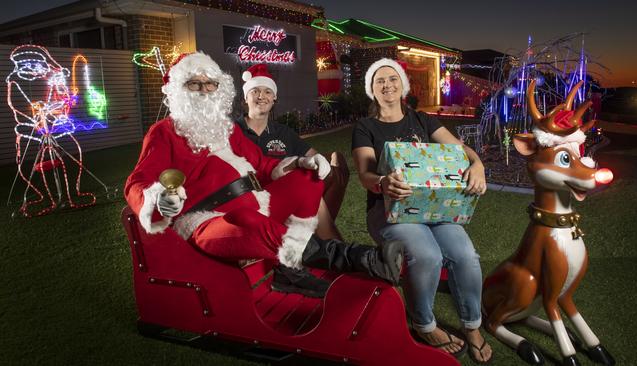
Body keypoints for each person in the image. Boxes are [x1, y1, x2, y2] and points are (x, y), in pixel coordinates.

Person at [124, 52, 404, 299]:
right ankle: (358, 258)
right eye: (194, 84)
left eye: (209, 84)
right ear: (178, 91)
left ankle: (288, 272)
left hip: (256, 201)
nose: (204, 90)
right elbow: (136, 183)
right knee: (249, 220)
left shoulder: (228, 129)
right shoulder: (164, 131)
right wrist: (157, 200)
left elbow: (263, 164)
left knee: (307, 180)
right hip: (207, 219)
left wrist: (300, 163)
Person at [351, 58, 492, 364]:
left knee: (466, 255)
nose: (387, 85)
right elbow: (365, 174)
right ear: (371, 90)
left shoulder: (423, 120)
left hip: (436, 207)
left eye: (392, 79)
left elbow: (458, 150)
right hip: (388, 210)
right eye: (379, 81)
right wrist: (383, 182)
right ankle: (423, 324)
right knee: (428, 255)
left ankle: (472, 325)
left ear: (402, 83)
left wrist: (477, 164)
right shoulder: (366, 127)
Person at [235, 63, 349, 241]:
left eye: (267, 92)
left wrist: (327, 163)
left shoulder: (283, 133)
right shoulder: (232, 131)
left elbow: (315, 156)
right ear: (245, 98)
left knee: (328, 174)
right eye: (255, 91)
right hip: (249, 201)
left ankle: (321, 241)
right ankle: (332, 246)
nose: (261, 96)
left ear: (274, 98)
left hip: (286, 198)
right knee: (306, 186)